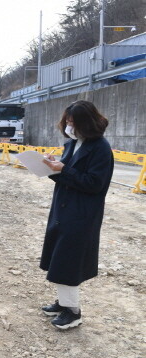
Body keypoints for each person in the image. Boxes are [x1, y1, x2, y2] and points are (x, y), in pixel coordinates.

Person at [40, 100, 113, 329]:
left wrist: (64, 169)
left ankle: (73, 312)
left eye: (73, 122)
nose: (69, 126)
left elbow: (94, 184)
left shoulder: (100, 148)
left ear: (86, 122)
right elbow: (66, 174)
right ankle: (64, 303)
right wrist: (51, 168)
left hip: (82, 213)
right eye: (67, 122)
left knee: (68, 261)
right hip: (63, 208)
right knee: (59, 258)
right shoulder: (72, 144)